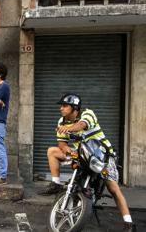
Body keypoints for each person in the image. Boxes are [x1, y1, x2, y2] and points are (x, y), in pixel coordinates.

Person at [39, 93, 135, 231]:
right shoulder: (62, 121)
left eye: (64, 106)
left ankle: (129, 223)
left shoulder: (87, 113)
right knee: (52, 151)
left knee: (113, 188)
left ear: (75, 107)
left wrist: (69, 129)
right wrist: (68, 151)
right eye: (61, 106)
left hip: (102, 156)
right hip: (81, 153)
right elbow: (61, 143)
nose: (61, 108)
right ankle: (56, 183)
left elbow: (82, 125)